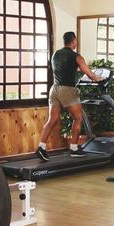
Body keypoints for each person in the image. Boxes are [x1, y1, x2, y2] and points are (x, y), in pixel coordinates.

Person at [36, 31, 102, 161]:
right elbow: (90, 74)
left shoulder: (55, 54)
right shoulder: (77, 56)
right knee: (78, 118)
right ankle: (74, 148)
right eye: (76, 40)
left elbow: (63, 69)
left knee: (52, 120)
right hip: (67, 90)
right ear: (74, 41)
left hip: (54, 89)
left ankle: (41, 147)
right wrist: (99, 78)